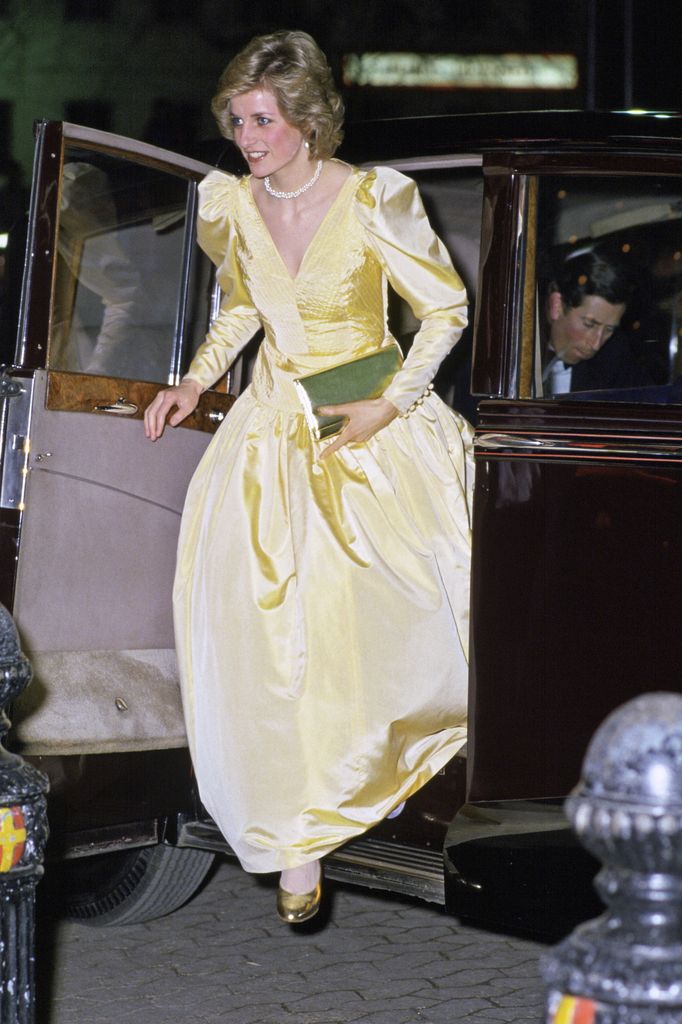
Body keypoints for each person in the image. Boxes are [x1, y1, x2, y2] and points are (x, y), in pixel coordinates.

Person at [144, 29, 473, 926]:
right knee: (264, 637)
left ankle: (369, 791)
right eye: (238, 119)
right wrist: (193, 383)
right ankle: (296, 836)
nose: (247, 138)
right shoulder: (232, 203)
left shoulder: (374, 197)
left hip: (369, 420)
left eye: (263, 120)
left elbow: (444, 309)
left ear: (308, 120)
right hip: (272, 430)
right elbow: (243, 307)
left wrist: (392, 405)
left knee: (368, 631)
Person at [541, 248, 648, 395]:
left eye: (609, 329)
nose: (596, 344)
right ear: (557, 305)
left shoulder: (615, 359)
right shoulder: (509, 346)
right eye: (589, 324)